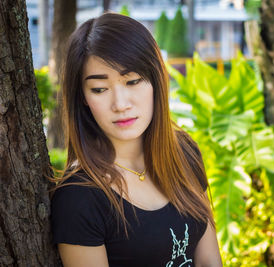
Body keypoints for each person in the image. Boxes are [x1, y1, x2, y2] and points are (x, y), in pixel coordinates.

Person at [50, 12, 222, 267]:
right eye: (99, 89)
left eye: (132, 81)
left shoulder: (184, 153)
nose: (120, 104)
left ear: (156, 81)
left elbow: (209, 260)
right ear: (83, 98)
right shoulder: (79, 197)